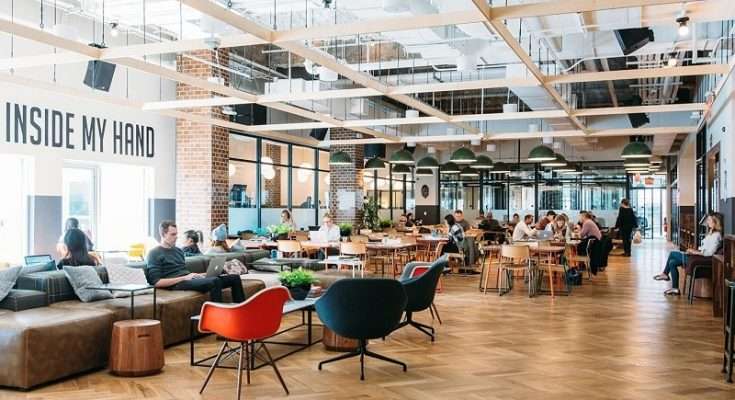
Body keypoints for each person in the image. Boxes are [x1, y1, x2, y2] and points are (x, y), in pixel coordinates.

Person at [146, 220, 245, 303]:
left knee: (234, 278)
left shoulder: (178, 251)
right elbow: (156, 282)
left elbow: (183, 272)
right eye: (173, 234)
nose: (176, 237)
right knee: (215, 281)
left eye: (176, 234)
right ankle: (217, 316)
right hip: (175, 284)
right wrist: (185, 277)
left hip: (187, 279)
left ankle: (241, 312)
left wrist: (203, 274)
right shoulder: (154, 253)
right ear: (163, 234)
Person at [655, 213, 723, 295]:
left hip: (700, 259)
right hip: (697, 256)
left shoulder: (717, 235)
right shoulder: (711, 233)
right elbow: (704, 248)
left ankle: (665, 274)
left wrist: (695, 252)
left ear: (715, 222)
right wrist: (693, 250)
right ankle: (675, 289)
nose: (707, 222)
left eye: (709, 220)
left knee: (672, 254)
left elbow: (710, 253)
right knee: (672, 263)